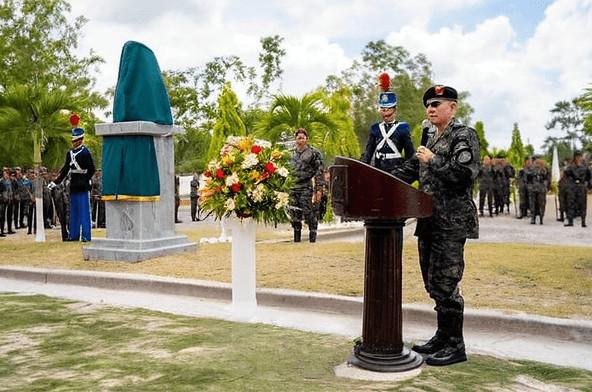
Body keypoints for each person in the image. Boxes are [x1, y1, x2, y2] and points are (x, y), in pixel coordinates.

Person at [391, 85, 480, 366]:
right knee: (433, 283)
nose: (430, 108)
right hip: (429, 221)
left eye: (437, 104)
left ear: (452, 107)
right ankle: (442, 337)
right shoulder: (429, 135)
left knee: (446, 283)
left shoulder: (463, 135)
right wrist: (381, 176)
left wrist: (434, 159)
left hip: (451, 223)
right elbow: (415, 169)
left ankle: (456, 345)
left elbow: (464, 174)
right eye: (428, 104)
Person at [49, 114, 96, 242]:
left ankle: (86, 236)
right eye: (73, 140)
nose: (73, 142)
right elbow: (65, 169)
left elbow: (92, 169)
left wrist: (85, 179)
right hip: (73, 185)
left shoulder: (85, 152)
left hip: (83, 185)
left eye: (76, 140)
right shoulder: (69, 153)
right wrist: (55, 182)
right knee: (74, 212)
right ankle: (73, 235)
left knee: (84, 213)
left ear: (80, 140)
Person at [362, 73, 415, 173]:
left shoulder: (402, 128)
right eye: (383, 108)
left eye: (389, 108)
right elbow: (368, 153)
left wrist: (406, 173)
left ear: (395, 110)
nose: (385, 111)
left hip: (396, 171)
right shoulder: (375, 128)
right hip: (378, 170)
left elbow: (410, 154)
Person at [289, 128, 325, 243]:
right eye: (298, 138)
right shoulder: (290, 154)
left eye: (303, 138)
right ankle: (296, 239)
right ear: (295, 139)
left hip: (306, 187)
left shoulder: (314, 153)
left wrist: (319, 189)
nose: (300, 140)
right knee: (294, 214)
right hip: (293, 187)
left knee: (309, 213)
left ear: (306, 139)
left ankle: (312, 238)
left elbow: (319, 171)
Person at [564, 151, 591, 227]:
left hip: (581, 187)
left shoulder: (585, 167)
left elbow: (589, 177)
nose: (579, 158)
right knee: (571, 203)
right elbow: (566, 175)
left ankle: (583, 221)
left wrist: (588, 186)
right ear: (574, 158)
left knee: (583, 204)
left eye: (580, 157)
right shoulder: (570, 167)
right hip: (572, 187)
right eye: (577, 157)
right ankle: (570, 221)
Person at [527, 158, 549, 225]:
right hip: (533, 189)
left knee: (541, 204)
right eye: (536, 163)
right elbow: (528, 180)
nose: (537, 165)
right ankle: (533, 218)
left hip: (541, 190)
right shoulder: (531, 171)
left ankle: (541, 217)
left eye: (539, 163)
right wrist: (530, 187)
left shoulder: (545, 171)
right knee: (532, 204)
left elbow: (547, 179)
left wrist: (545, 186)